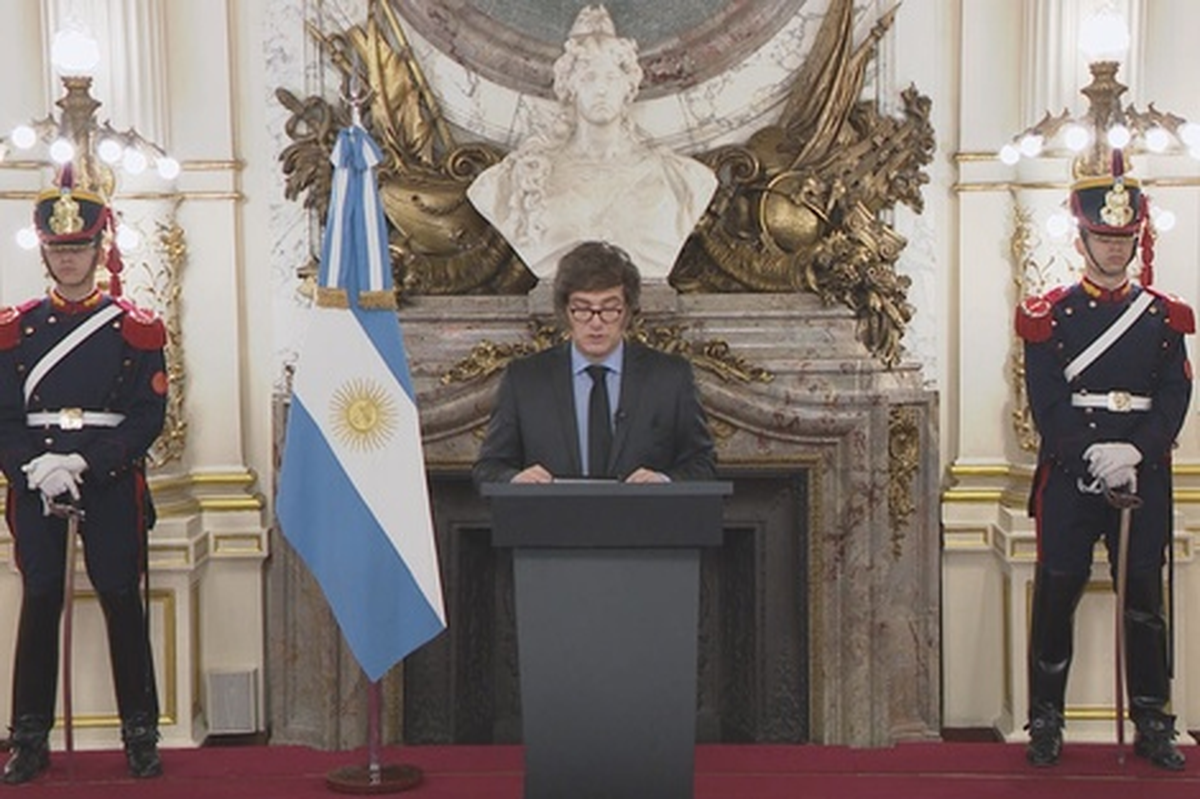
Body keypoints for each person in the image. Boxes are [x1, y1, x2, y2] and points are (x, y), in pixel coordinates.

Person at [1016, 153, 1192, 770]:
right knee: (1057, 596)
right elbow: (1046, 400)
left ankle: (1152, 720)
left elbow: (1175, 393)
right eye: (1103, 238)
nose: (1114, 250)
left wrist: (1136, 451)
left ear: (1135, 239)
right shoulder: (1050, 315)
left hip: (1142, 474)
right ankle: (1046, 721)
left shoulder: (1164, 317)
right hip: (1072, 476)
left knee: (1144, 601)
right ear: (1082, 237)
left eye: (1124, 239)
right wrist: (1094, 453)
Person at [0, 168, 168, 783]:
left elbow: (149, 415)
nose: (69, 260)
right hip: (38, 478)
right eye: (59, 249)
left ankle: (141, 735)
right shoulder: (13, 330)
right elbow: (3, 417)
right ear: (44, 252)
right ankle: (29, 739)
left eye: (79, 248)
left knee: (122, 598)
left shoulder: (135, 327)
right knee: (41, 599)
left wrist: (84, 462)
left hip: (107, 477)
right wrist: (35, 467)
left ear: (101, 249)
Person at [466, 5, 717, 281]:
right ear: (570, 88)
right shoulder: (516, 179)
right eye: (588, 77)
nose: (600, 88)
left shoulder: (683, 179)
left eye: (610, 77)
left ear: (629, 87)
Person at [473, 240, 716, 485]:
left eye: (610, 309)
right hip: (553, 520)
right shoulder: (525, 379)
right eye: (583, 309)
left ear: (628, 311)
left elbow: (703, 464)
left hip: (644, 519)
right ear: (565, 312)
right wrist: (514, 480)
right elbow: (489, 468)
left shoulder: (670, 377)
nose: (596, 323)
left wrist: (664, 481)